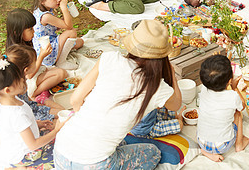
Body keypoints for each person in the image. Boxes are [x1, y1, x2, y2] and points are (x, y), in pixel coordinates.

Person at [54, 20, 182, 169]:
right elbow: (176, 105)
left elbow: (75, 99)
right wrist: (172, 74)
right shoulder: (158, 87)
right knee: (153, 153)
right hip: (95, 164)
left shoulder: (110, 58)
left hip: (61, 150)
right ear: (162, 57)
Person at [0, 57, 63, 168]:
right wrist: (57, 130)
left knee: (59, 138)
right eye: (20, 80)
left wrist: (37, 123)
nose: (24, 80)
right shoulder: (16, 114)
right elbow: (33, 145)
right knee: (61, 154)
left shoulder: (9, 100)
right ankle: (23, 166)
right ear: (8, 90)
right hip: (23, 155)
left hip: (20, 146)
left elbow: (18, 127)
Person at [6, 8, 67, 102]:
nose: (33, 32)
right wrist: (42, 56)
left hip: (32, 73)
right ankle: (32, 94)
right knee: (61, 73)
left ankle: (39, 91)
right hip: (26, 82)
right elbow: (29, 75)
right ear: (18, 32)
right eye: (30, 29)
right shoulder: (17, 51)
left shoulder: (23, 42)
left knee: (57, 71)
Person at [197, 55, 249, 162]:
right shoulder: (232, 96)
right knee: (238, 114)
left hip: (201, 141)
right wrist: (235, 88)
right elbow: (242, 106)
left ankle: (206, 152)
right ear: (230, 80)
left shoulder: (203, 90)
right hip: (222, 145)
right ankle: (239, 144)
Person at [31, 0, 84, 71]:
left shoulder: (41, 8)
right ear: (42, 1)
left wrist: (64, 19)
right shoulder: (45, 16)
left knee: (80, 42)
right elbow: (69, 26)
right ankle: (61, 62)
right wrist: (64, 9)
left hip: (49, 44)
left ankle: (61, 54)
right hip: (48, 53)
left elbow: (57, 26)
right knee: (71, 32)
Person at [6, 44, 64, 120]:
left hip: (33, 107)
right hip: (30, 115)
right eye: (34, 62)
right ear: (26, 70)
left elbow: (27, 100)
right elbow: (26, 114)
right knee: (62, 118)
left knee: (64, 112)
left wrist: (37, 104)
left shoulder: (20, 79)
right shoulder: (16, 88)